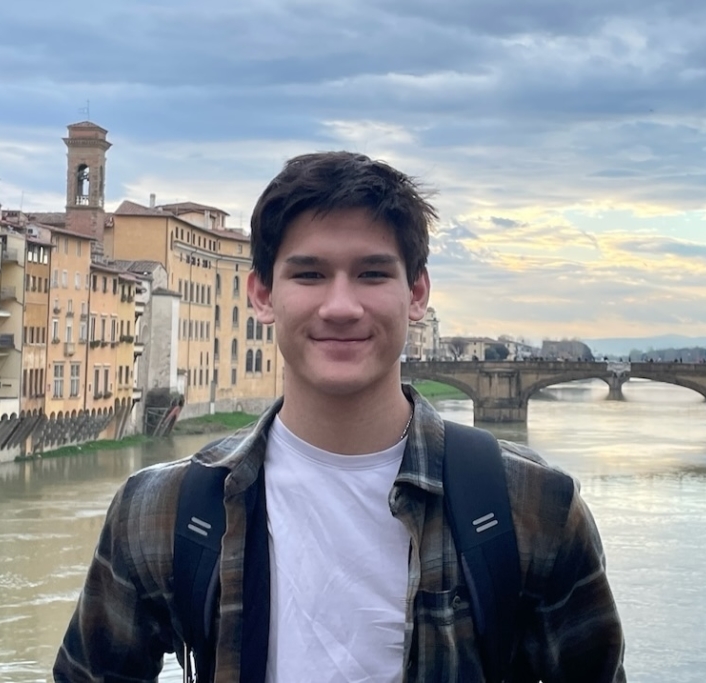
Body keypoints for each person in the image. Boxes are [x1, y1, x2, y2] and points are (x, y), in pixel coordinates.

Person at [53, 151, 625, 682]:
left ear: (417, 293)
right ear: (262, 295)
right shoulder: (160, 512)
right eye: (309, 274)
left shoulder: (534, 507)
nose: (341, 306)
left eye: (373, 274)